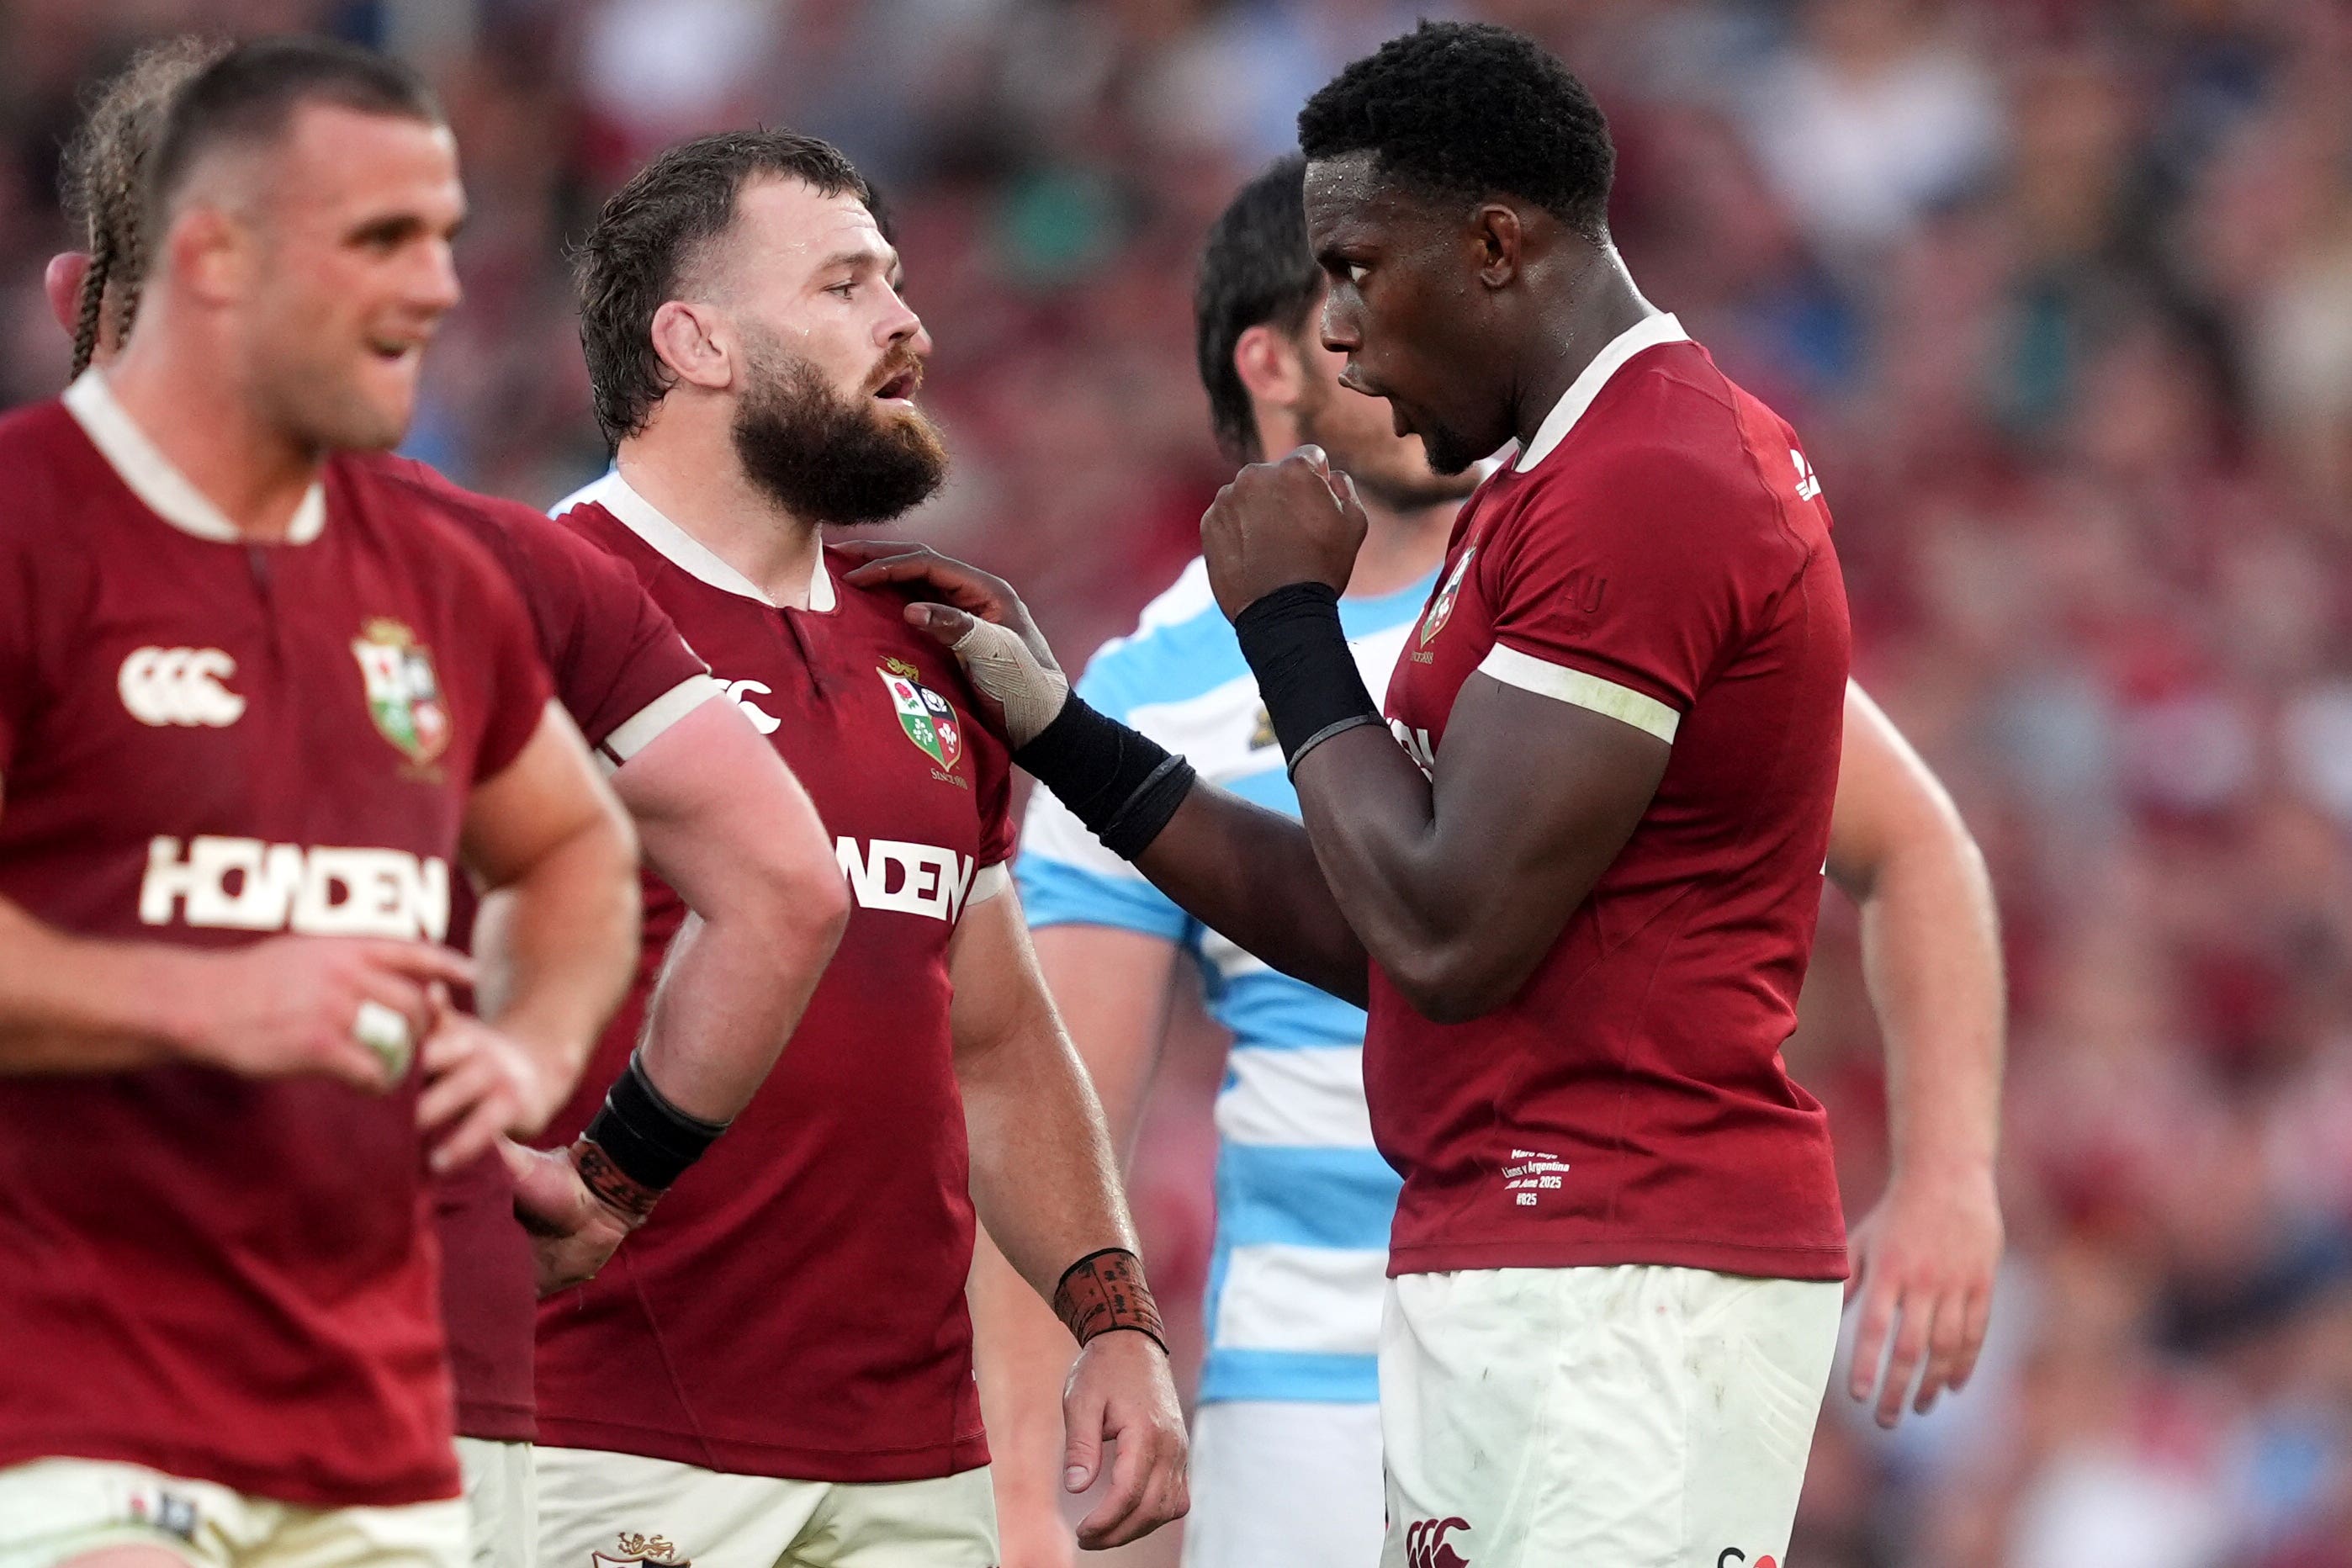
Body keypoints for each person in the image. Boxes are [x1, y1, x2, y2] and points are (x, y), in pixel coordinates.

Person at [845, 21, 1973, 1565]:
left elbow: (1448, 940)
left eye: (1364, 272)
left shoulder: (1655, 479)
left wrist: (1291, 628)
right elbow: (1373, 917)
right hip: (1516, 1254)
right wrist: (1062, 730)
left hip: (1621, 1263)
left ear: (1497, 245)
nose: (1349, 341)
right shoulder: (1555, 489)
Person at [42, 39, 855, 1568]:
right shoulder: (526, 571)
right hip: (431, 1361)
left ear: (74, 290)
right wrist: (601, 1179)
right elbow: (787, 885)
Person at [522, 129, 1188, 1568]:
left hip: (910, 1465)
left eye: (894, 278)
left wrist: (1114, 1323)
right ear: (694, 341)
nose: (909, 324)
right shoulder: (531, 613)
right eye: (844, 286)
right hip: (600, 1435)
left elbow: (997, 1043)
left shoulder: (940, 647)